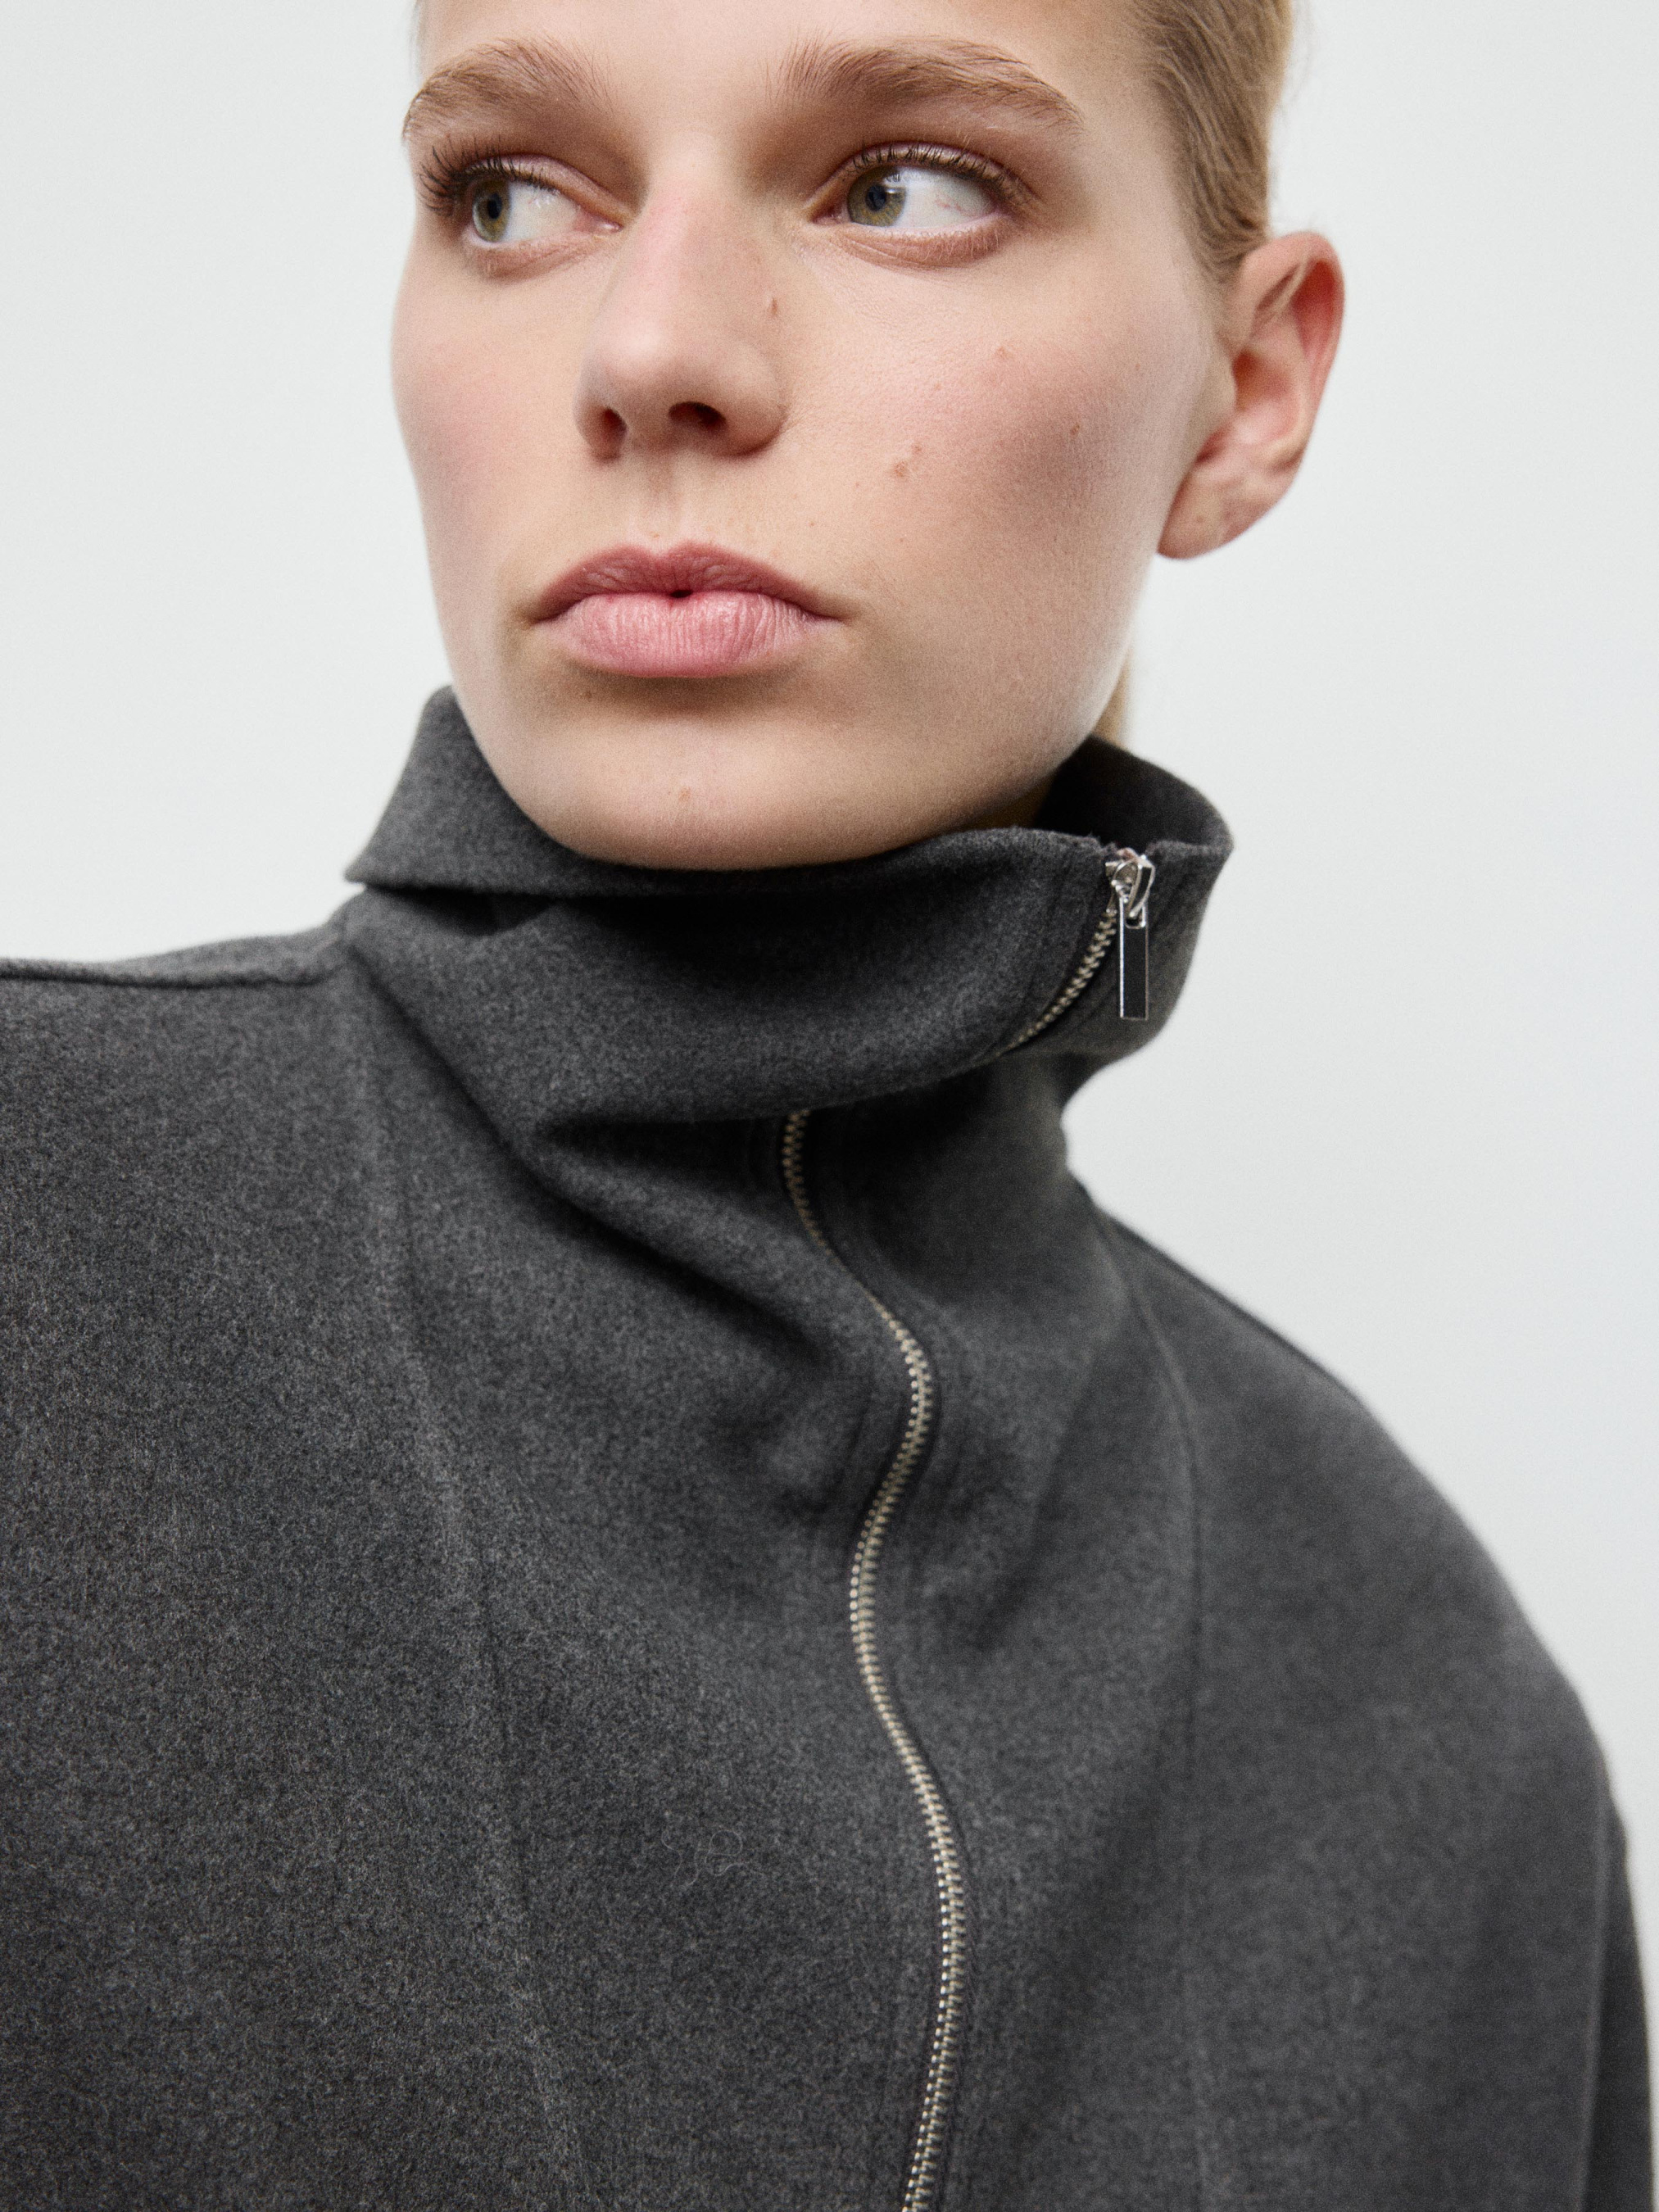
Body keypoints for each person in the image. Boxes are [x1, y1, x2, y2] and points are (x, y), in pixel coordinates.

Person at [0, 0, 1648, 2202]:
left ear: (1246, 389)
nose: (649, 349)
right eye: (511, 195)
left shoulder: (1432, 1733)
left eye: (906, 185)